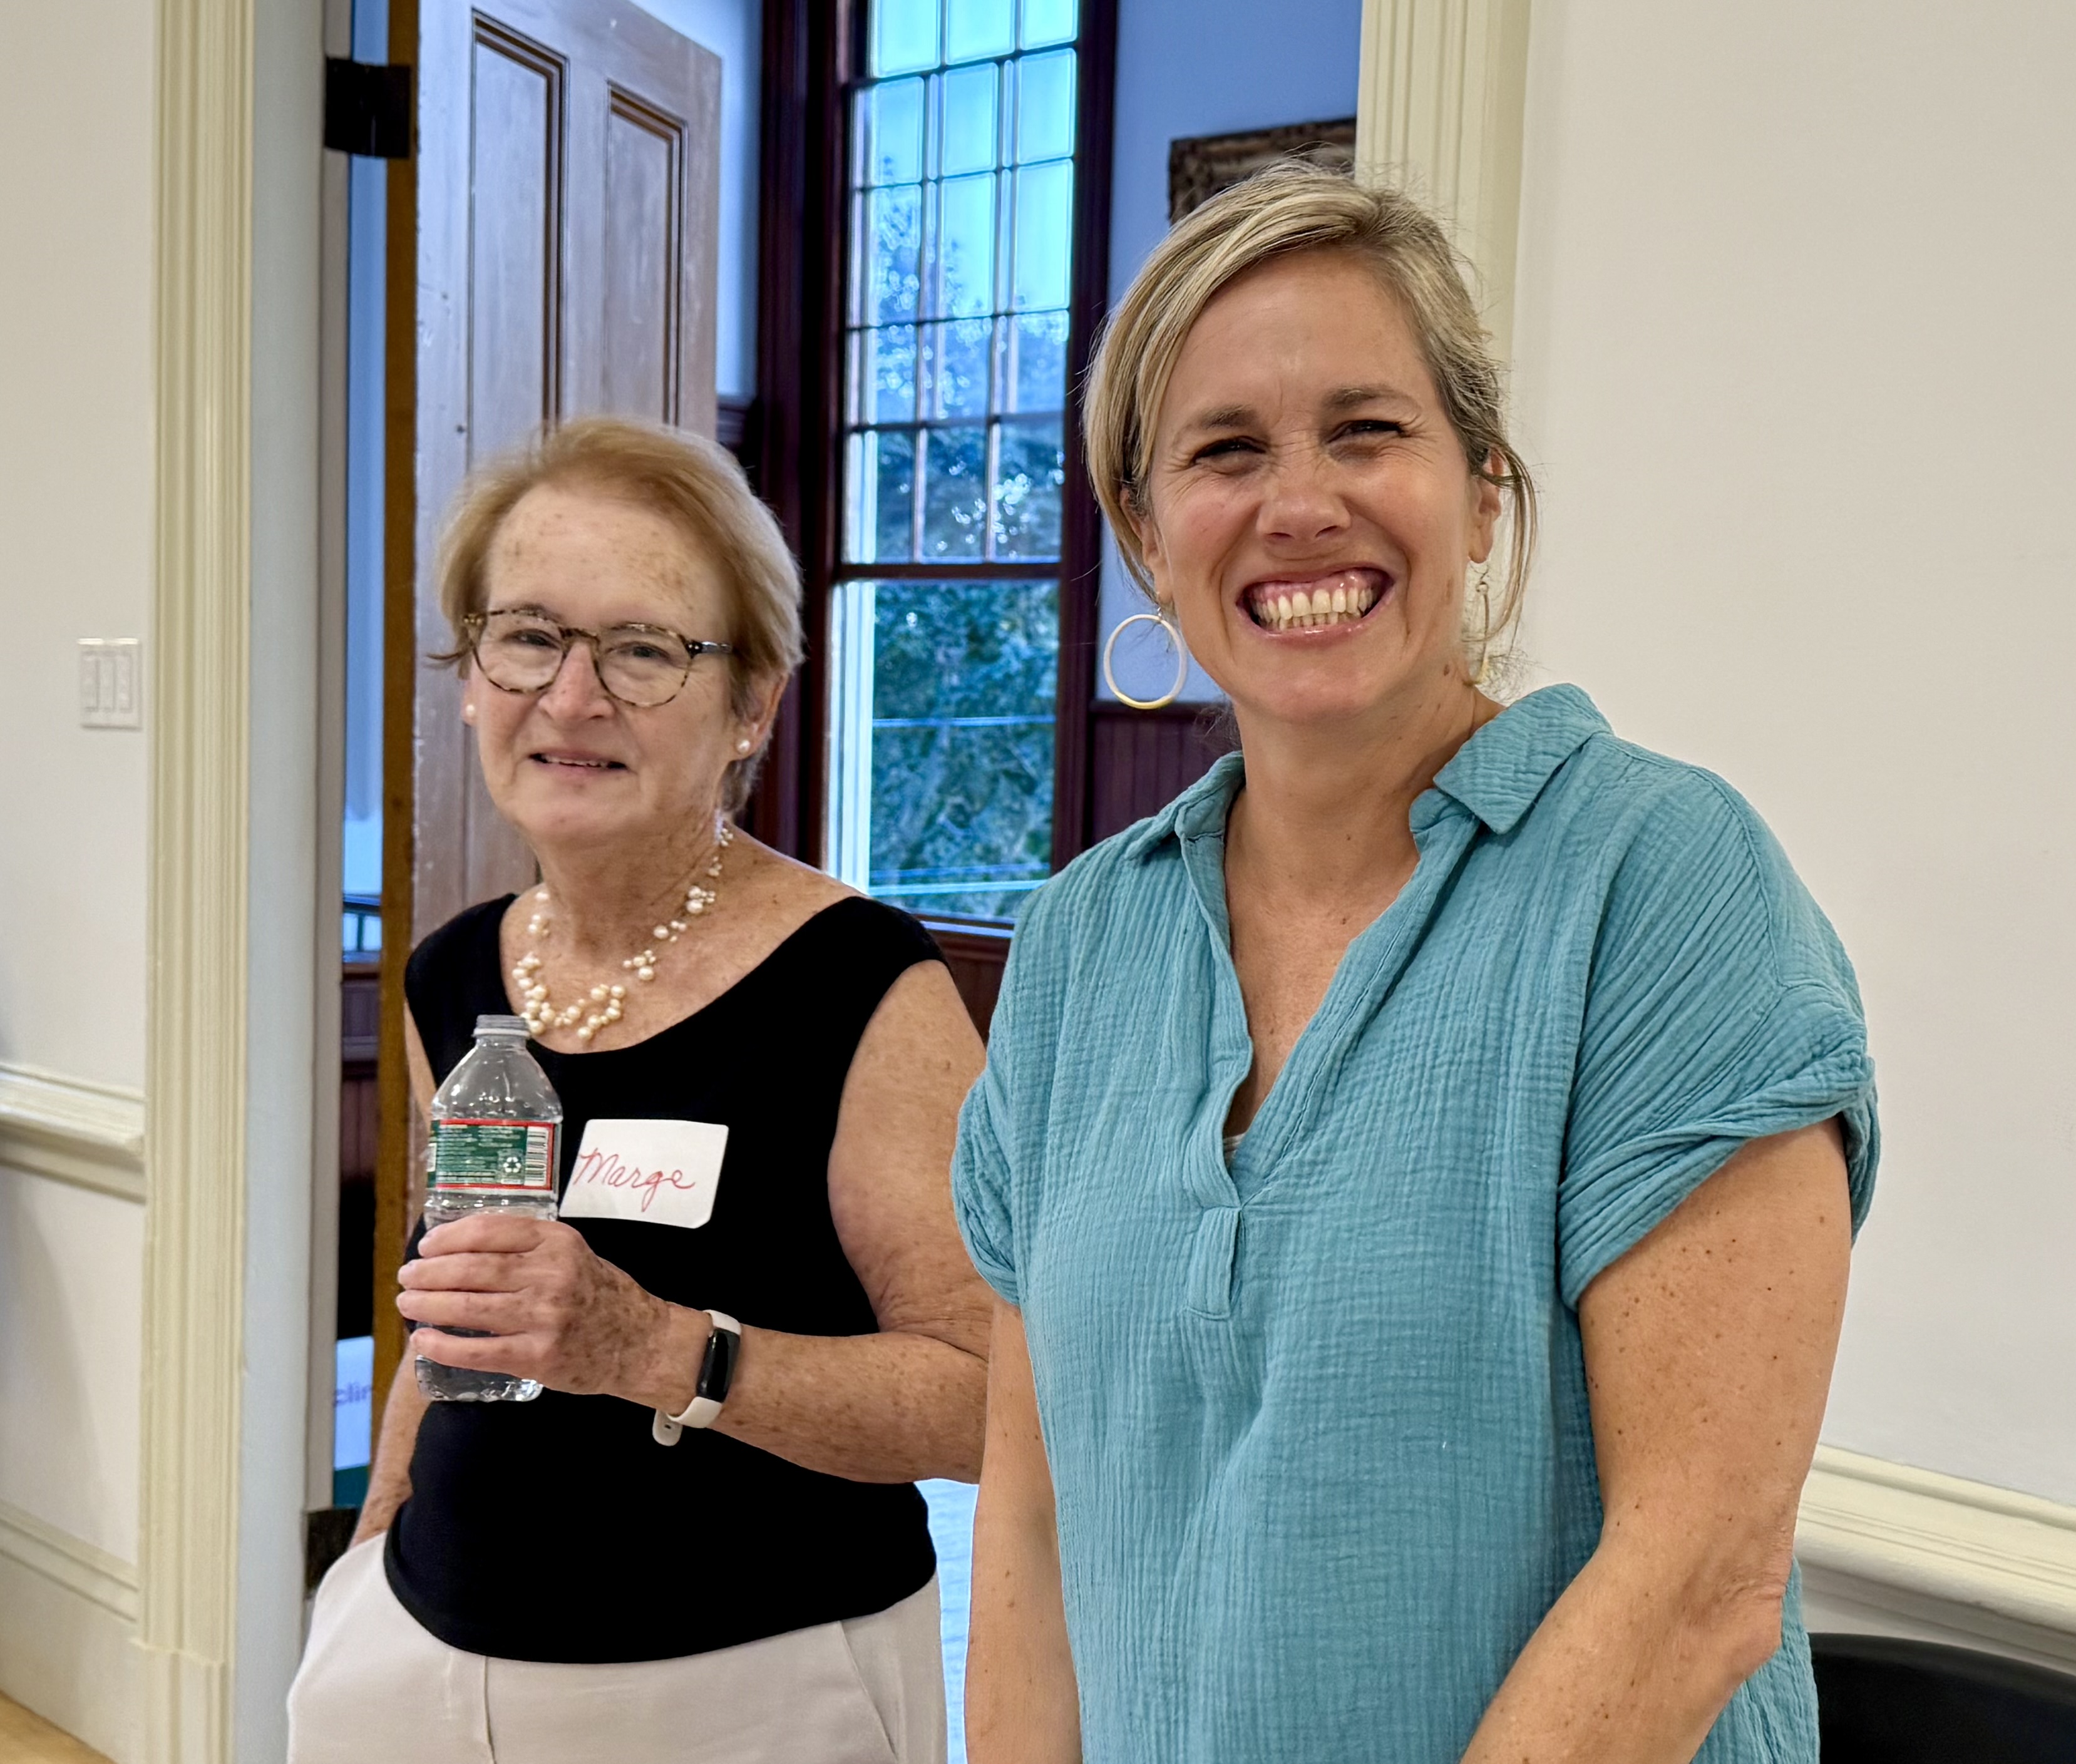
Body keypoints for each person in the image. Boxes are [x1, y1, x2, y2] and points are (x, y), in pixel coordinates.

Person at [952, 165, 1881, 1764]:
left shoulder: (1662, 888)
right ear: (1144, 537)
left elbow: (1699, 1577)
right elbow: (1033, 1529)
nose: (1297, 500)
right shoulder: (1080, 944)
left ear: (1484, 493)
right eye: (1225, 449)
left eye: (1366, 431)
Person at [288, 416, 988, 1764]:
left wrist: (656, 1348)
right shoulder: (456, 970)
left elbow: (976, 1400)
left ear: (753, 706)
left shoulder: (870, 989)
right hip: (416, 1654)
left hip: (750, 1683)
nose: (572, 694)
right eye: (530, 635)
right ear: (472, 675)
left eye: (645, 647)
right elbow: (453, 1298)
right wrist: (373, 1542)